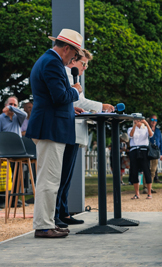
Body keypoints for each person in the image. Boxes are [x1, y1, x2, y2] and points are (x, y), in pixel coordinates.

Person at [25, 28, 85, 238]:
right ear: (67, 48)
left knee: (50, 180)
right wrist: (76, 90)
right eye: (75, 55)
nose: (74, 59)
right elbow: (60, 96)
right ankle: (43, 225)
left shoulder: (47, 60)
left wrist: (70, 107)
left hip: (49, 125)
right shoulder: (52, 63)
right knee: (49, 181)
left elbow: (53, 98)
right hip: (50, 128)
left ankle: (48, 222)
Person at [54, 48, 114, 228]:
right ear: (73, 61)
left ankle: (63, 212)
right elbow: (77, 101)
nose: (85, 67)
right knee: (62, 175)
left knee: (67, 176)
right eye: (83, 63)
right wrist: (100, 106)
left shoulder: (75, 77)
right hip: (67, 130)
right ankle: (57, 213)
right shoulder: (66, 73)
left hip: (74, 130)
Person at [0, 96, 27, 208]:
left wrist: (11, 107)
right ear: (5, 105)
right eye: (11, 104)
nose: (13, 107)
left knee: (18, 176)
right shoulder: (1, 118)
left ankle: (15, 200)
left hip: (18, 150)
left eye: (15, 105)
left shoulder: (18, 117)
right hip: (5, 151)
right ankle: (3, 200)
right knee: (5, 177)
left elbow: (24, 114)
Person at [128, 115, 154, 199]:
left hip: (144, 150)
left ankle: (149, 193)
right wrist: (135, 125)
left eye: (139, 120)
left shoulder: (145, 129)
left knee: (146, 170)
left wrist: (146, 123)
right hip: (134, 150)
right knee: (134, 171)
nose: (138, 121)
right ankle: (137, 193)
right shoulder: (130, 129)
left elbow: (150, 135)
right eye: (136, 120)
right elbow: (131, 135)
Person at [143, 114, 162, 194]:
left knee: (153, 170)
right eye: (152, 120)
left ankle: (149, 187)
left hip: (156, 151)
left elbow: (161, 142)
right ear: (149, 120)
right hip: (147, 151)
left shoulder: (158, 131)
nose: (154, 122)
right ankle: (145, 187)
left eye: (155, 120)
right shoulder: (145, 129)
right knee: (146, 169)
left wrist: (161, 153)